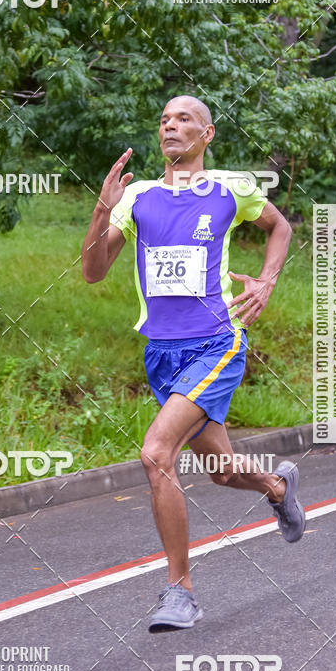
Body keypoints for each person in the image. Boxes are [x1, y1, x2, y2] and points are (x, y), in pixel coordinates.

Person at [81, 95, 305, 632]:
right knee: (222, 471)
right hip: (161, 352)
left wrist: (267, 281)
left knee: (157, 453)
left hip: (216, 343)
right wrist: (101, 210)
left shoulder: (231, 188)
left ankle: (179, 592)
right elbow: (92, 271)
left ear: (207, 134)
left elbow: (280, 227)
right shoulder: (137, 196)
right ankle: (277, 489)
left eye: (184, 119)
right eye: (164, 120)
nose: (171, 126)